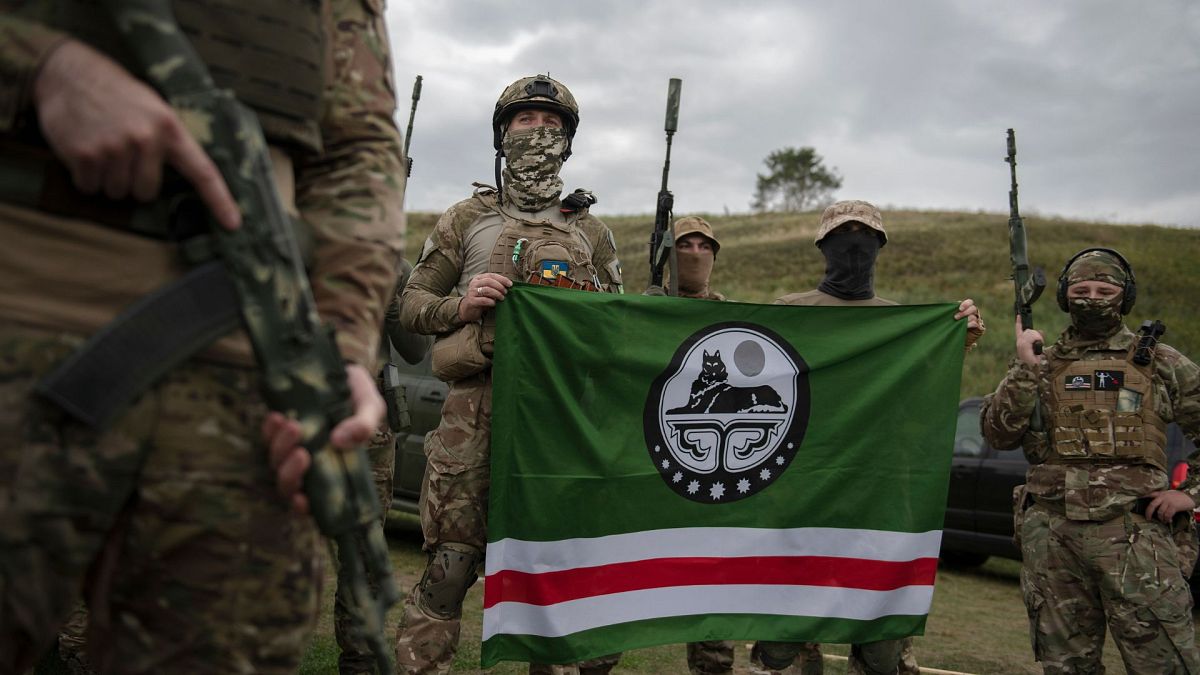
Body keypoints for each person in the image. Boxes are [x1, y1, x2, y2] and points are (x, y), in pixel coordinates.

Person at [0, 1, 404, 671]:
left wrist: (339, 339)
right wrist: (40, 67)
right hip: (28, 296)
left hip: (252, 375)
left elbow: (359, 145)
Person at [394, 73, 623, 674]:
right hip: (473, 420)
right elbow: (412, 305)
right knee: (449, 570)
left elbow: (619, 329)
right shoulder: (466, 218)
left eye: (553, 124)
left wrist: (587, 304)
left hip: (556, 427)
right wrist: (462, 306)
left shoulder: (590, 232)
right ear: (502, 135)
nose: (539, 132)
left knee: (548, 585)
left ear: (569, 141)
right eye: (526, 121)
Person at [755, 199, 984, 675]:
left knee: (878, 638)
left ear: (879, 245)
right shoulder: (788, 311)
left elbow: (921, 401)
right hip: (802, 494)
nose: (854, 242)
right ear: (824, 244)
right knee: (785, 638)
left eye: (865, 233)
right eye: (844, 233)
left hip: (876, 497)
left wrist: (955, 340)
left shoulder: (901, 325)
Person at [980, 248, 1200, 673]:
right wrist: (1025, 369)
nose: (1092, 298)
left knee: (1164, 664)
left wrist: (1189, 494)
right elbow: (997, 433)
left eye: (1105, 289)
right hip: (1053, 542)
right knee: (1065, 667)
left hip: (1135, 541)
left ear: (1125, 295)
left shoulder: (1158, 361)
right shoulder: (1041, 360)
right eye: (1081, 289)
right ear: (1064, 297)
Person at [579, 215, 733, 675]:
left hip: (706, 478)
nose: (695, 252)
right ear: (667, 254)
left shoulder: (733, 319)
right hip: (640, 474)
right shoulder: (638, 313)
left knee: (711, 608)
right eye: (685, 243)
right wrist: (642, 318)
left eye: (705, 244)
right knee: (618, 593)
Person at [334, 260, 433, 674]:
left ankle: (357, 660)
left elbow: (414, 349)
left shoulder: (392, 266)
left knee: (364, 550)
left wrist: (392, 294)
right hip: (296, 410)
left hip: (368, 428)